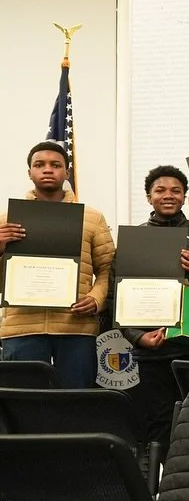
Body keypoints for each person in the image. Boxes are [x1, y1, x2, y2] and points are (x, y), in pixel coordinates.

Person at [0, 142, 114, 389]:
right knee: (25, 407)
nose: (48, 170)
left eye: (56, 165)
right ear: (29, 172)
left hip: (76, 328)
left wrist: (96, 299)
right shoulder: (6, 219)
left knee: (75, 406)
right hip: (21, 329)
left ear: (67, 172)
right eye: (39, 165)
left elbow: (108, 270)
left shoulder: (92, 218)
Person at [121, 165, 189, 451]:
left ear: (184, 195)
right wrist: (137, 337)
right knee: (158, 422)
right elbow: (120, 292)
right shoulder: (134, 238)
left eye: (176, 190)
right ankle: (159, 484)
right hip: (153, 348)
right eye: (160, 190)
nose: (168, 195)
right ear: (149, 197)